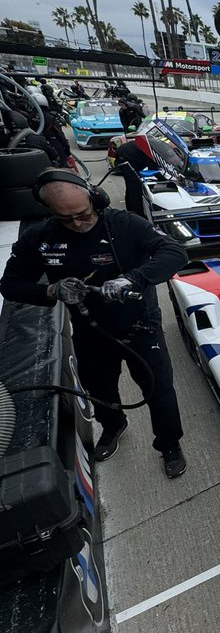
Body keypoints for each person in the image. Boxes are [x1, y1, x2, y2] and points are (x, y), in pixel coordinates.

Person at [0, 170, 190, 478]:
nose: (78, 223)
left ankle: (169, 444)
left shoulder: (124, 224)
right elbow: (10, 285)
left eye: (83, 214)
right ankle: (113, 426)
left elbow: (175, 252)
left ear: (94, 199)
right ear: (50, 212)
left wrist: (133, 278)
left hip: (140, 325)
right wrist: (50, 290)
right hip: (91, 331)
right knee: (99, 388)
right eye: (67, 219)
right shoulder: (40, 238)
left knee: (160, 390)